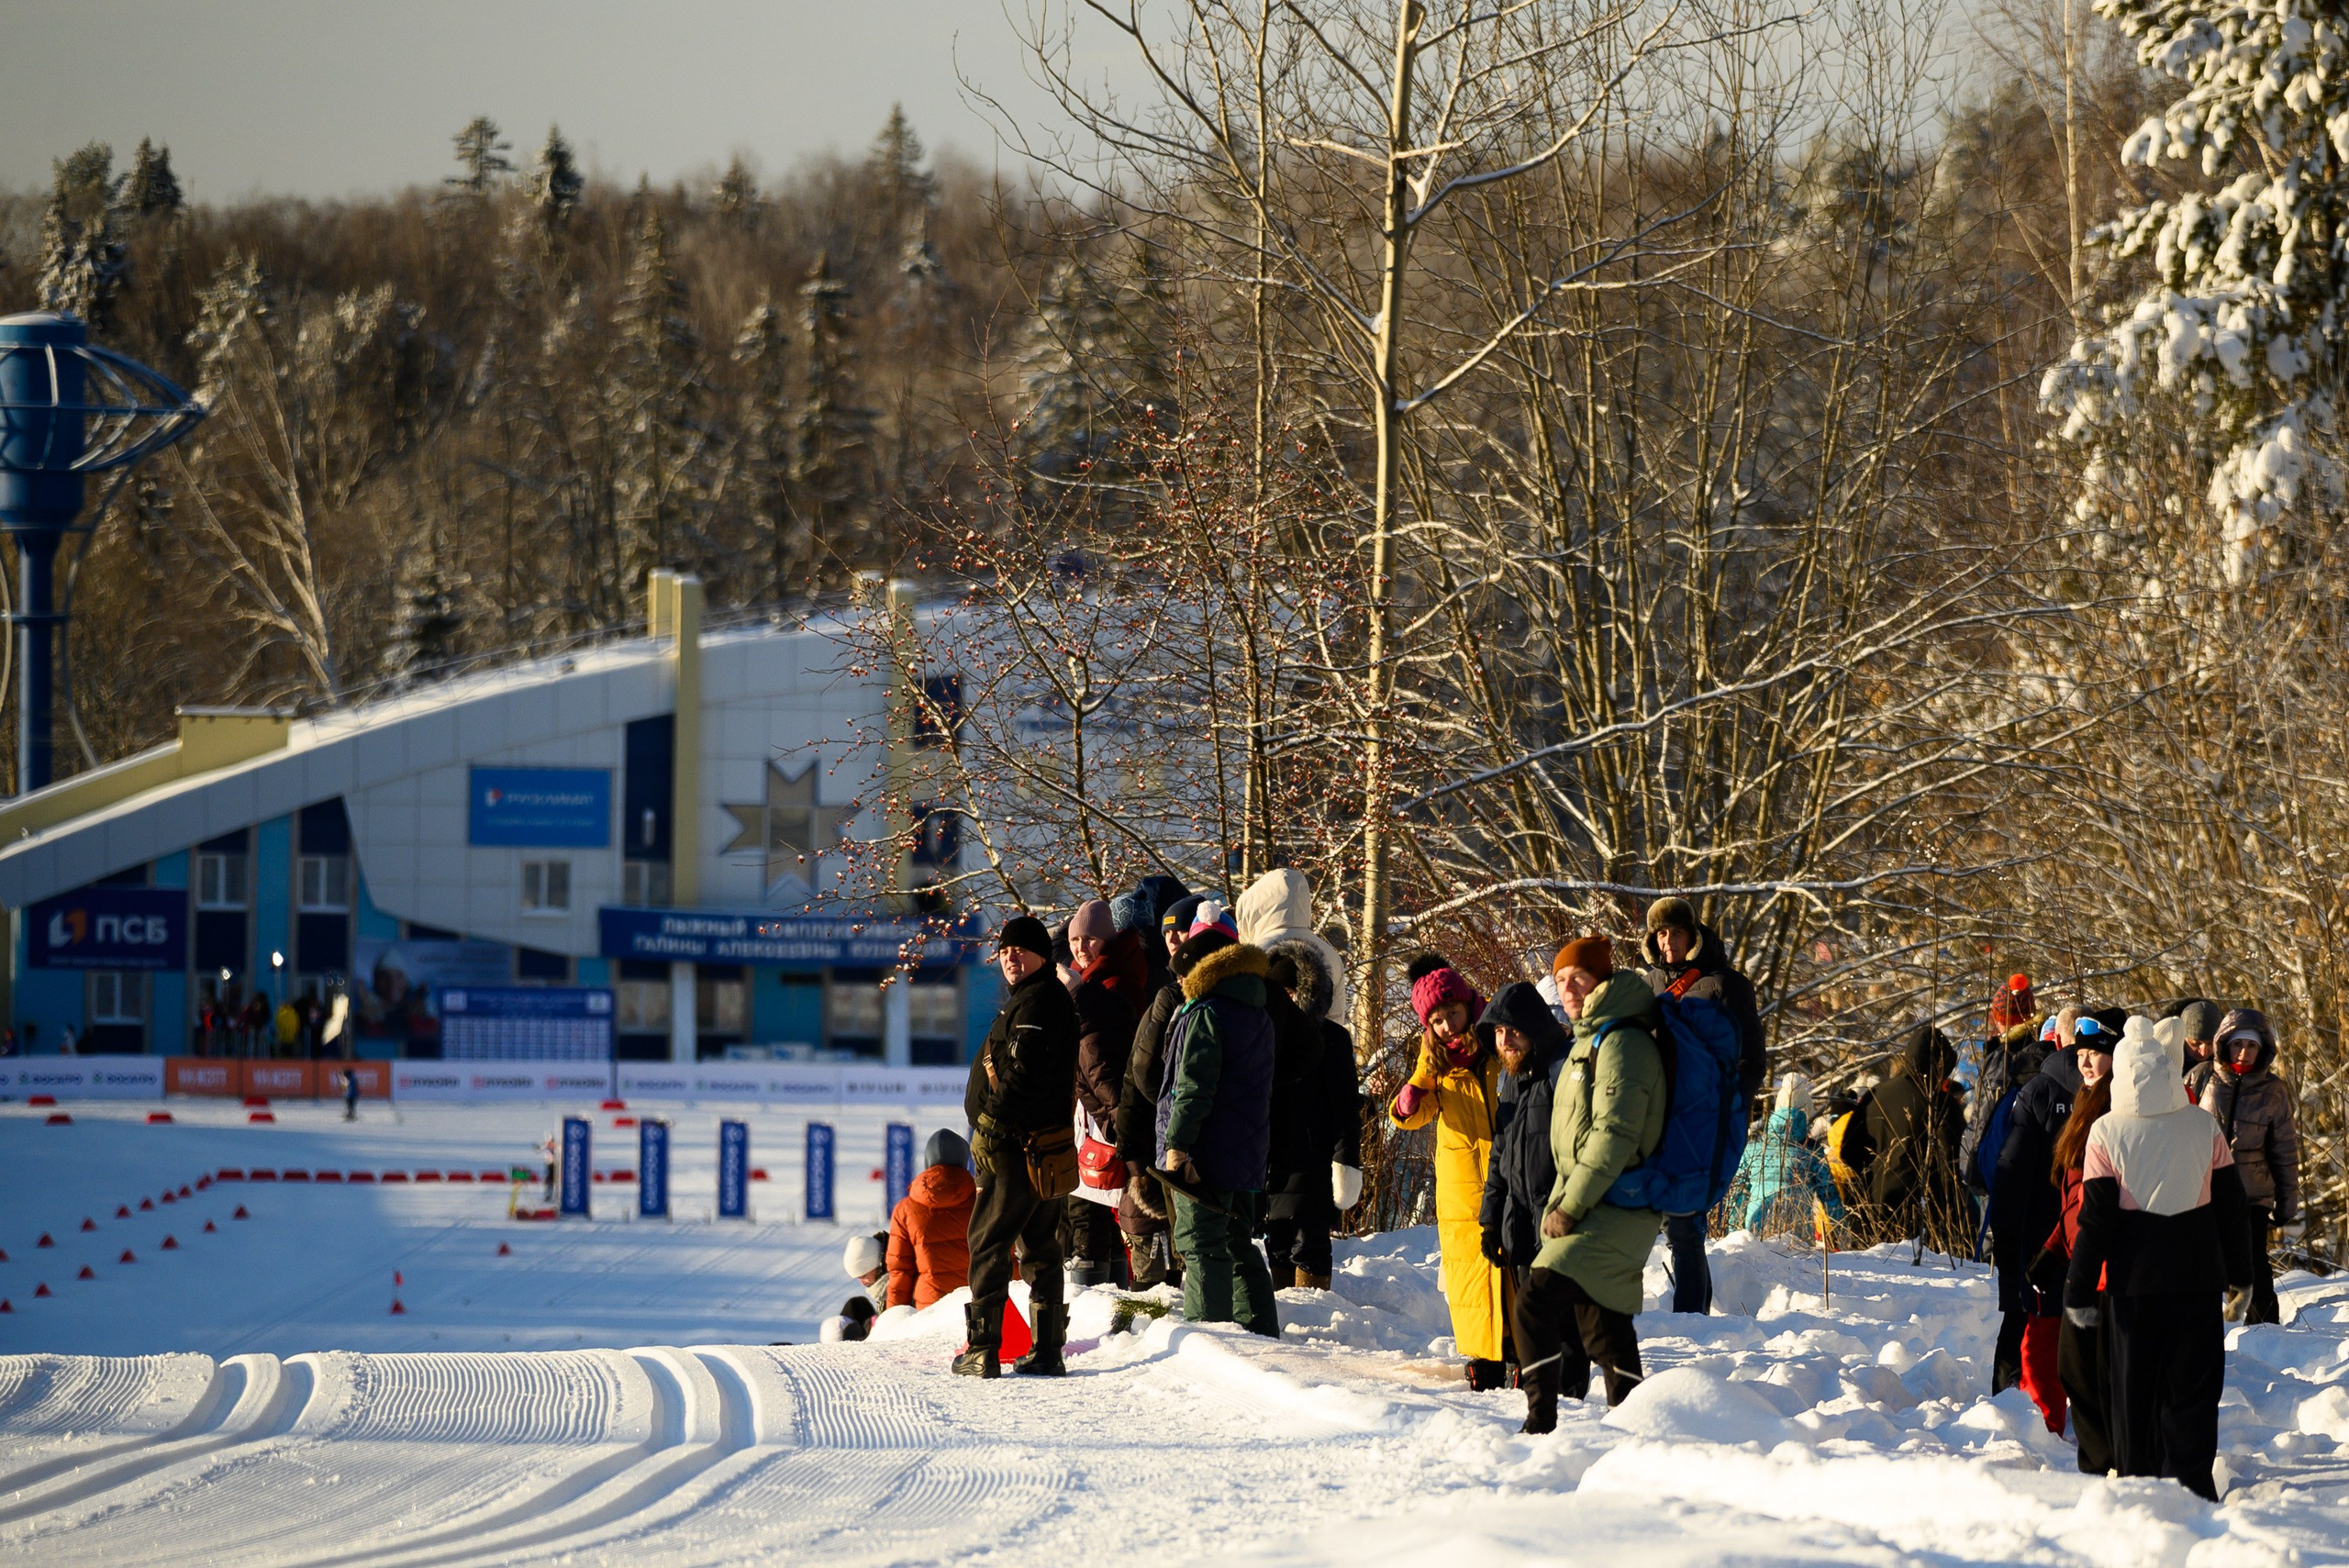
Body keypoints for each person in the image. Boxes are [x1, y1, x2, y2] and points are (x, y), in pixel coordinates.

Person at [2065, 1015, 2251, 1500]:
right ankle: (2193, 1490)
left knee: (2133, 1394)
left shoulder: (2105, 1132)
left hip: (2134, 1285)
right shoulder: (2202, 1125)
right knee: (2192, 1393)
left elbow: (2095, 1222)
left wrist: (2079, 1289)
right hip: (2197, 1279)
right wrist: (2242, 1275)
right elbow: (2232, 1208)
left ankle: (2139, 1491)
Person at [1515, 936, 1668, 1429]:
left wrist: (1570, 1206)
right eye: (1560, 979)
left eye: (1579, 978)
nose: (1568, 989)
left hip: (1614, 1205)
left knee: (1535, 1301)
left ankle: (1540, 1423)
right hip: (1598, 1201)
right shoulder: (1591, 1039)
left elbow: (1615, 1134)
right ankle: (1638, 1425)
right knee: (1603, 1328)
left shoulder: (1623, 1043)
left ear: (1602, 980)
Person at [959, 914, 1081, 1378]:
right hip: (1040, 1146)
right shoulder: (1037, 998)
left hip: (1015, 1147)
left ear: (1042, 956)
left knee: (988, 1242)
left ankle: (982, 1349)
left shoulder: (1037, 1002)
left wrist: (990, 1124)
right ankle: (1047, 1350)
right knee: (1040, 1246)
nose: (1010, 957)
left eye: (1020, 950)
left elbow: (1024, 1073)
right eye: (1005, 951)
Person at [1637, 896, 1766, 1314]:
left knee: (1685, 1223)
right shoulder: (1648, 986)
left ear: (1692, 935)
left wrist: (1728, 1108)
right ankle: (1694, 1318)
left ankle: (1691, 1319)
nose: (1668, 941)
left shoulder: (1726, 985)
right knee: (1673, 1224)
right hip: (1657, 1120)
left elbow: (1752, 1061)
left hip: (1702, 1122)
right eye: (1661, 934)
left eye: (1676, 932)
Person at [1387, 952, 1508, 1389]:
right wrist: (1409, 1098)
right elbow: (1416, 1111)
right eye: (1436, 1021)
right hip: (1462, 1184)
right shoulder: (1434, 1061)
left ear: (1468, 1004)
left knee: (1515, 1267)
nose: (1446, 1026)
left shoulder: (1499, 1040)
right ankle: (1485, 1358)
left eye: (1452, 1014)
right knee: (1473, 1274)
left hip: (1509, 1171)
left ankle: (1523, 1352)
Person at [1236, 869, 1361, 1289]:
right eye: (1281, 994)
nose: (1288, 1000)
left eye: (1293, 993)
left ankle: (1311, 1312)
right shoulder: (1261, 1037)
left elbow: (1345, 1106)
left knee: (1308, 1243)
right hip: (1271, 1157)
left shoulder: (1329, 1039)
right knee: (1277, 1243)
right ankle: (1288, 1308)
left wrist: (1345, 1159)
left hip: (1309, 1156)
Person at [1156, 916, 1280, 1335]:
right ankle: (1261, 1335)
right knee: (1238, 1244)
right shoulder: (1257, 1010)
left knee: (1201, 1244)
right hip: (1246, 1151)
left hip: (1205, 1151)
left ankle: (1210, 1342)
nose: (1181, 982)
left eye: (1183, 974)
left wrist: (1177, 1144)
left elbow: (1192, 1087)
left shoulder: (1206, 1013)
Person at [1988, 1012, 2107, 1392]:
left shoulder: (2036, 1089)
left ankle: (2014, 1402)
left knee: (2030, 1323)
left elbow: (2006, 1167)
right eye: (2083, 1052)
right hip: (2083, 1235)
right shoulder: (2111, 1094)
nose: (2086, 1062)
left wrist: (2004, 1236)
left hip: (2043, 1229)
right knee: (2077, 1331)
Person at [2032, 1029, 2116, 1463]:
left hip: (2105, 1266)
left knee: (2091, 1372)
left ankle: (2110, 1461)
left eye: (2095, 1055)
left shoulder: (2114, 1108)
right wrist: (2052, 1249)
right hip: (2081, 1258)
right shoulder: (2086, 1102)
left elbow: (2100, 1201)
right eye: (2080, 1054)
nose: (2085, 1063)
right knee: (2078, 1370)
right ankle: (2104, 1460)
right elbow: (2073, 1197)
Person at [1117, 894, 1207, 1289]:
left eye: (1181, 930)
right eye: (1166, 931)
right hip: (1156, 1137)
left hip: (1167, 1137)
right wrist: (1171, 1105)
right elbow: (1140, 1069)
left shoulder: (1176, 993)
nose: (1172, 939)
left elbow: (1142, 1069)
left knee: (1184, 1246)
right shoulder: (1167, 992)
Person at [2188, 1008, 2301, 1325]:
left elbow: (2284, 1151)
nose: (2243, 1052)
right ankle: (2207, 1328)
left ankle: (2265, 1331)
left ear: (2262, 1049)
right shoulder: (2201, 1078)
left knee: (2253, 1263)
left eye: (2251, 1045)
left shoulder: (2273, 1090)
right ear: (2224, 1043)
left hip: (2252, 1194)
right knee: (2202, 1262)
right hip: (2204, 1190)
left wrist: (2287, 1203)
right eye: (2238, 1044)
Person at [1066, 896, 1148, 1288]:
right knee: (1101, 1216)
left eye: (1090, 939)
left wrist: (1112, 1120)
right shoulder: (1087, 980)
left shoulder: (1111, 984)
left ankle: (1097, 1301)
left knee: (1091, 1217)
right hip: (1096, 1116)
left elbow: (1101, 1065)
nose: (1081, 947)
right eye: (1075, 940)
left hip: (1104, 1118)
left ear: (1107, 940)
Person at [1476, 983, 1570, 1282]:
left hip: (1561, 1234)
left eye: (1514, 1030)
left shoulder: (1562, 1074)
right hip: (1521, 1234)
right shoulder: (1513, 1082)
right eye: (1499, 1031)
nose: (1505, 1041)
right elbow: (1500, 1154)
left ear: (1534, 1029)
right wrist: (1491, 1222)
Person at [1861, 1024, 1968, 1253]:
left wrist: (1863, 1194)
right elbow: (1949, 1166)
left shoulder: (1876, 1094)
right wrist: (1957, 1220)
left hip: (1876, 1202)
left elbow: (1847, 1151)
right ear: (1941, 1065)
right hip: (1922, 1213)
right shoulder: (1939, 1104)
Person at [1724, 1073, 1843, 1240]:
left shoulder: (1753, 1149)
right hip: (1798, 1234)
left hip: (1755, 1229)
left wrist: (1732, 1234)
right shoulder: (1812, 1153)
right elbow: (1830, 1199)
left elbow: (1737, 1195)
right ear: (1806, 1113)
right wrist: (1841, 1237)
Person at [887, 1129, 976, 1309]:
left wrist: (894, 1317)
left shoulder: (905, 1210)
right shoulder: (985, 1201)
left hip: (931, 1309)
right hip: (980, 1304)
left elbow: (900, 1272)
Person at [2174, 999, 2222, 1083]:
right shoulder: (2165, 1063)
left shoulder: (2227, 1062)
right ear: (2182, 1038)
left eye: (2210, 1044)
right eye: (2195, 1043)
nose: (2203, 1052)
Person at [842, 1231, 890, 1305]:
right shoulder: (883, 1292)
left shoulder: (897, 1286)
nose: (862, 1283)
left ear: (876, 1264)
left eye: (863, 1276)